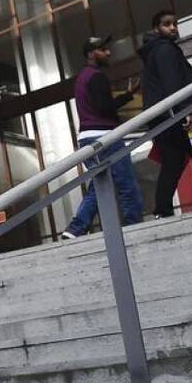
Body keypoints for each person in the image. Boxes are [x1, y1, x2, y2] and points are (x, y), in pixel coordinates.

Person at [139, 10, 192, 218]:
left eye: (175, 23)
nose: (173, 27)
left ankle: (163, 210)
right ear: (156, 29)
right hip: (184, 121)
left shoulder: (155, 53)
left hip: (169, 121)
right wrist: (186, 112)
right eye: (167, 24)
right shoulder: (165, 50)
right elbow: (173, 83)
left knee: (173, 161)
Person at [62, 35, 144, 239]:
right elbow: (104, 108)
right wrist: (126, 97)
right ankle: (134, 228)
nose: (108, 52)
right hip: (104, 137)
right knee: (126, 183)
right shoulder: (96, 76)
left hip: (87, 138)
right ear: (91, 54)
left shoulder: (82, 77)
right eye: (102, 50)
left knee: (100, 185)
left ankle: (74, 229)